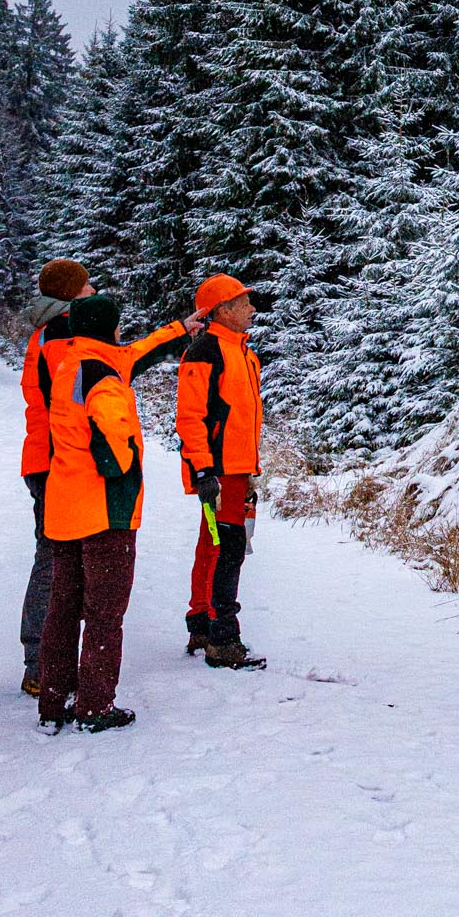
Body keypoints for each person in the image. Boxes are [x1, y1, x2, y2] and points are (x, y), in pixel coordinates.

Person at [35, 292, 190, 732]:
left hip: (65, 508)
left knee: (62, 609)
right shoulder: (104, 376)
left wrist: (179, 329)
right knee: (105, 615)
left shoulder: (70, 364)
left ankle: (54, 701)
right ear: (109, 328)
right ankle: (95, 707)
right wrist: (123, 464)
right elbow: (111, 437)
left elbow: (134, 354)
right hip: (105, 512)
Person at [179, 273, 266, 671]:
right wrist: (204, 470)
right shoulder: (205, 352)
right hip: (218, 470)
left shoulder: (244, 352)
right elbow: (191, 418)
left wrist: (249, 469)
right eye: (244, 302)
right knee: (227, 549)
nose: (252, 309)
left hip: (236, 469)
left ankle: (202, 623)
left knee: (215, 545)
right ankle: (223, 638)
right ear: (223, 310)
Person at [16, 257, 92, 695]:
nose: (92, 288)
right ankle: (41, 664)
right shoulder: (62, 335)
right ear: (70, 293)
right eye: (85, 284)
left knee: (57, 558)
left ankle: (44, 661)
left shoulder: (48, 332)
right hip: (56, 462)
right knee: (55, 561)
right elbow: (78, 400)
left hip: (47, 459)